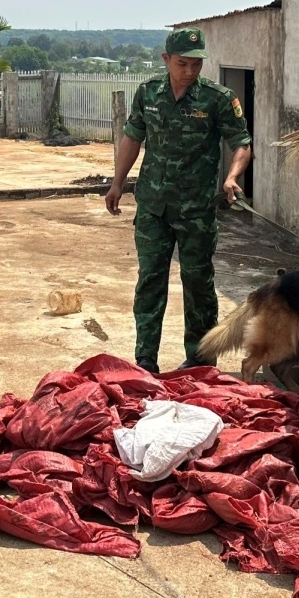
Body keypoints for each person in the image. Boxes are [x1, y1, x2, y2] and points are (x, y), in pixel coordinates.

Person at [104, 28, 253, 373]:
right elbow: (132, 139)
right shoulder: (148, 93)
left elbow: (241, 143)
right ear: (166, 60)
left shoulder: (217, 99)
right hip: (153, 207)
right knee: (150, 282)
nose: (190, 71)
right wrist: (117, 184)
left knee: (198, 283)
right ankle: (145, 360)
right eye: (183, 64)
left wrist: (232, 177)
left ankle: (200, 360)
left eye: (197, 64)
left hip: (196, 211)